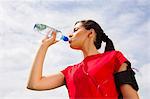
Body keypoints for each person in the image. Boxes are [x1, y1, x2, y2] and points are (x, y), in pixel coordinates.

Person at [27, 20, 139, 99]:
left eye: (75, 30)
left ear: (90, 33)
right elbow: (34, 84)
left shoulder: (114, 57)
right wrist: (43, 46)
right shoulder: (69, 72)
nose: (70, 34)